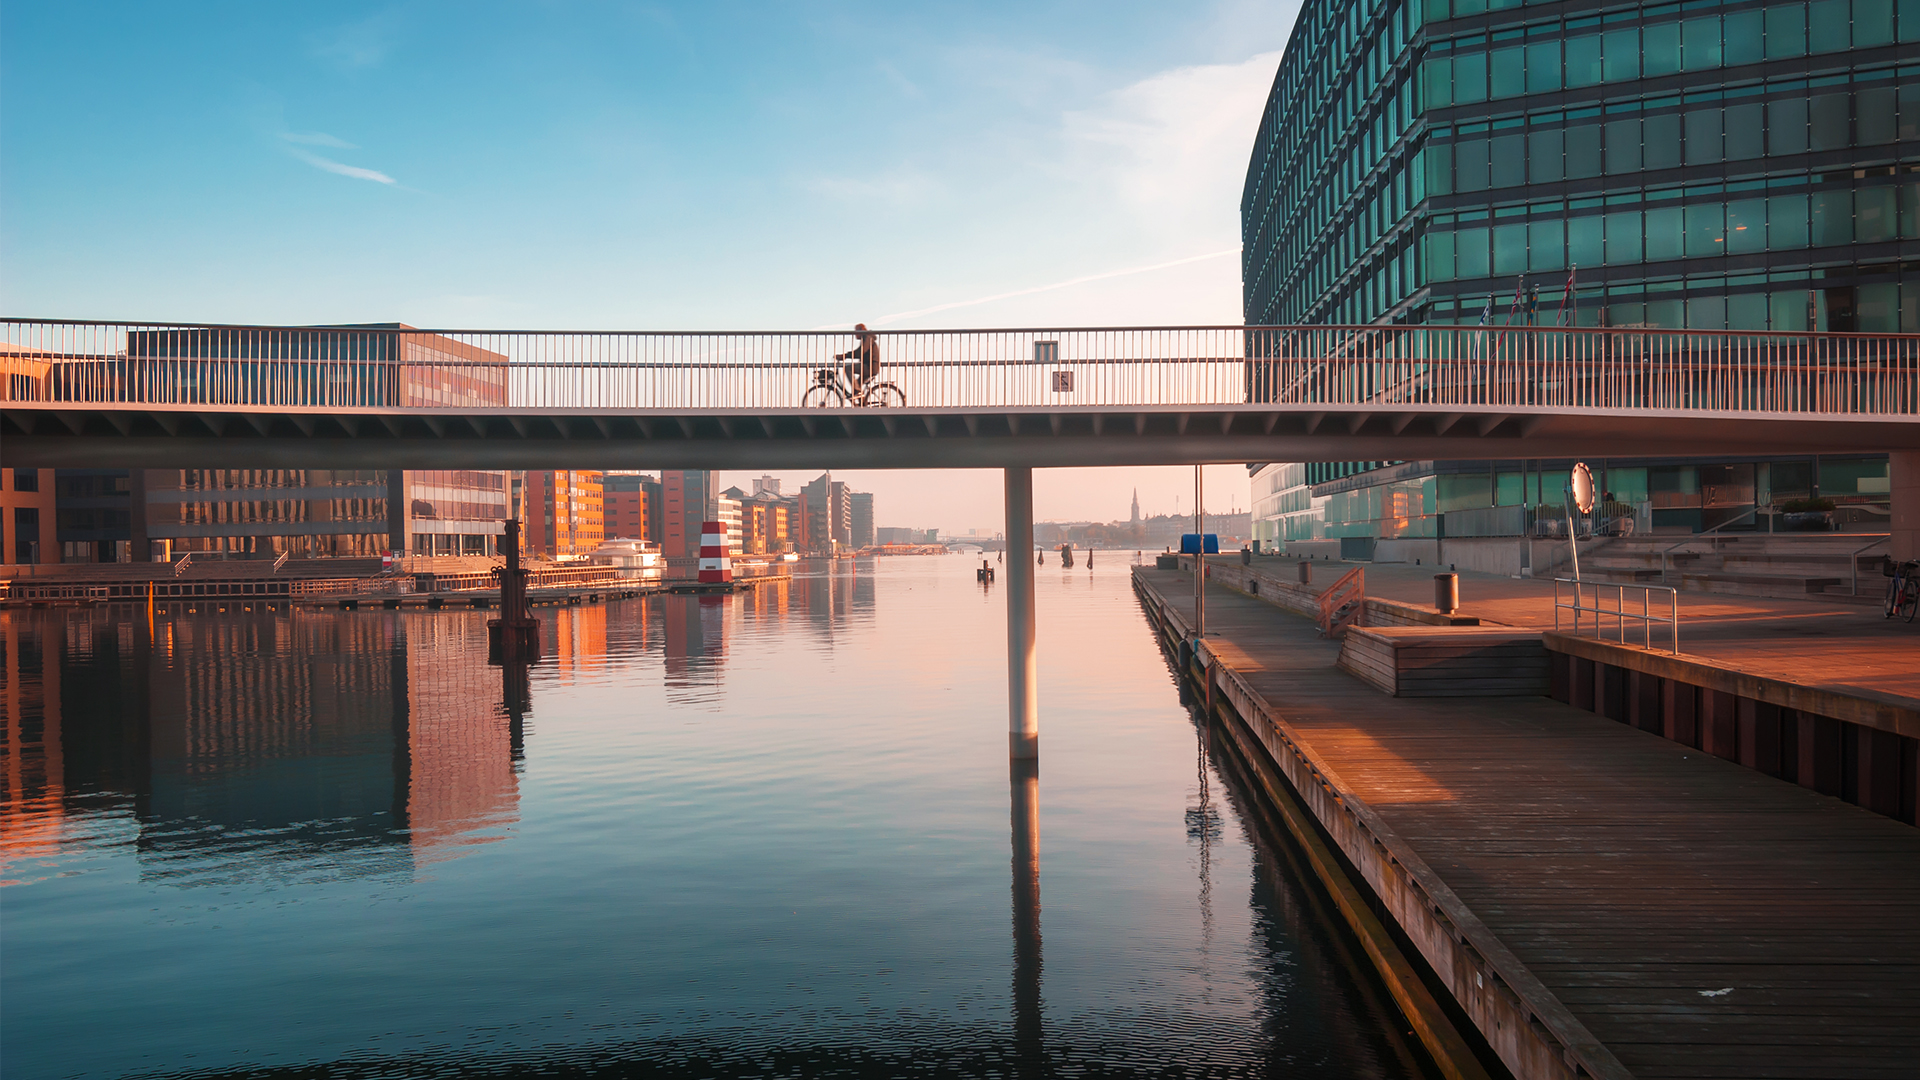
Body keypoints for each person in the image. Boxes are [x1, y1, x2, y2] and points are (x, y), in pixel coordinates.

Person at [836, 323, 880, 394]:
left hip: (870, 367)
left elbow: (861, 351)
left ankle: (857, 390)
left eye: (856, 331)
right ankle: (861, 403)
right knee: (856, 390)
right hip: (870, 365)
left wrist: (845, 356)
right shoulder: (866, 338)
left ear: (861, 330)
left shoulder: (867, 338)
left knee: (848, 368)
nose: (855, 334)